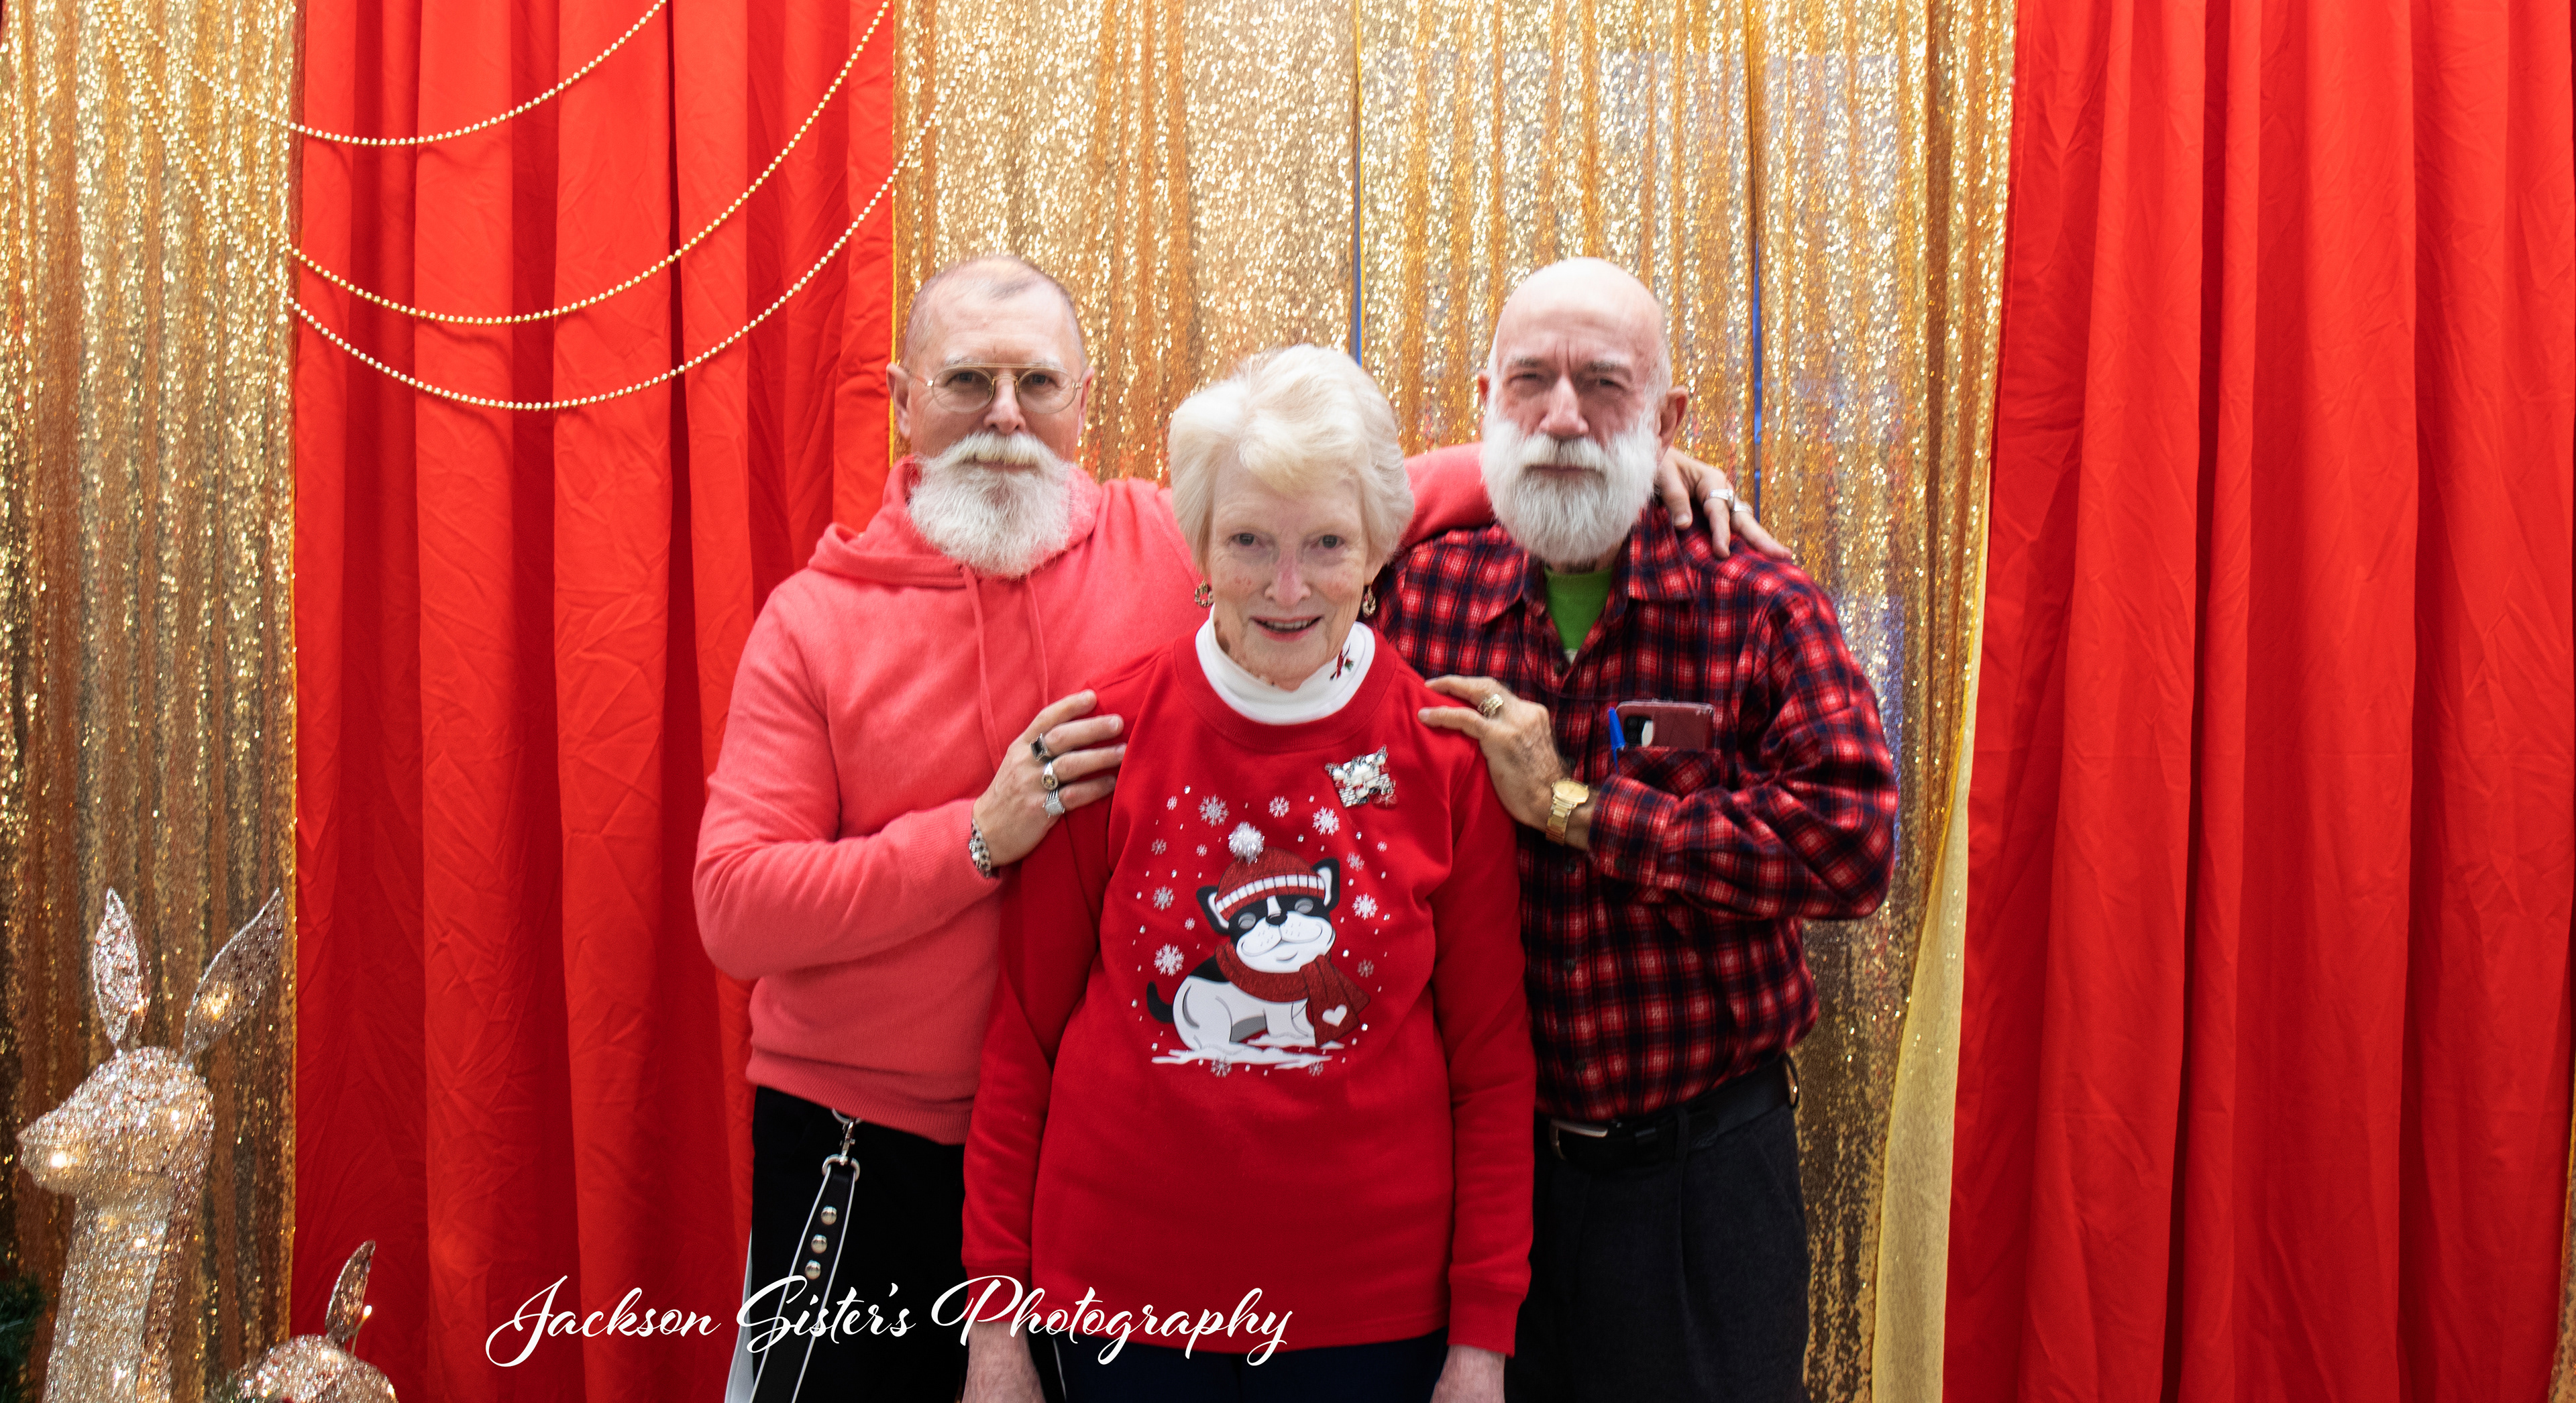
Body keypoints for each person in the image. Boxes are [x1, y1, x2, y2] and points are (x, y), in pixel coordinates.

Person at [692, 255, 1758, 1401]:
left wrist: (1607, 458)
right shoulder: (824, 623)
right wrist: (983, 836)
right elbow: (739, 911)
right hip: (868, 1145)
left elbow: (1334, 488)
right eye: (966, 381)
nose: (1005, 417)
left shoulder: (1166, 536)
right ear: (903, 399)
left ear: (1084, 399)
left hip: (1298, 1278)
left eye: (1037, 383)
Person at [959, 345, 1531, 1403]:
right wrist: (994, 1330)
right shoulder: (1106, 736)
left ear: (1377, 552)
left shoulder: (1445, 756)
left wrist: (1482, 1342)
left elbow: (1491, 1071)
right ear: (1201, 545)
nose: (1287, 586)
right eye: (1250, 541)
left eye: (1327, 544)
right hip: (1121, 1309)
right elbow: (1022, 1043)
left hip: (1373, 1318)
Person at [1373, 258, 1901, 1402]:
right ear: (1486, 403)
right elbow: (1264, 543)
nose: (1564, 416)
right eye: (1531, 382)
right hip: (1480, 1181)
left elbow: (1854, 841)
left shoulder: (1758, 601)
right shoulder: (1419, 596)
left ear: (1666, 421)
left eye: (1605, 385)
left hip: (1701, 1182)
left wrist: (1577, 809)